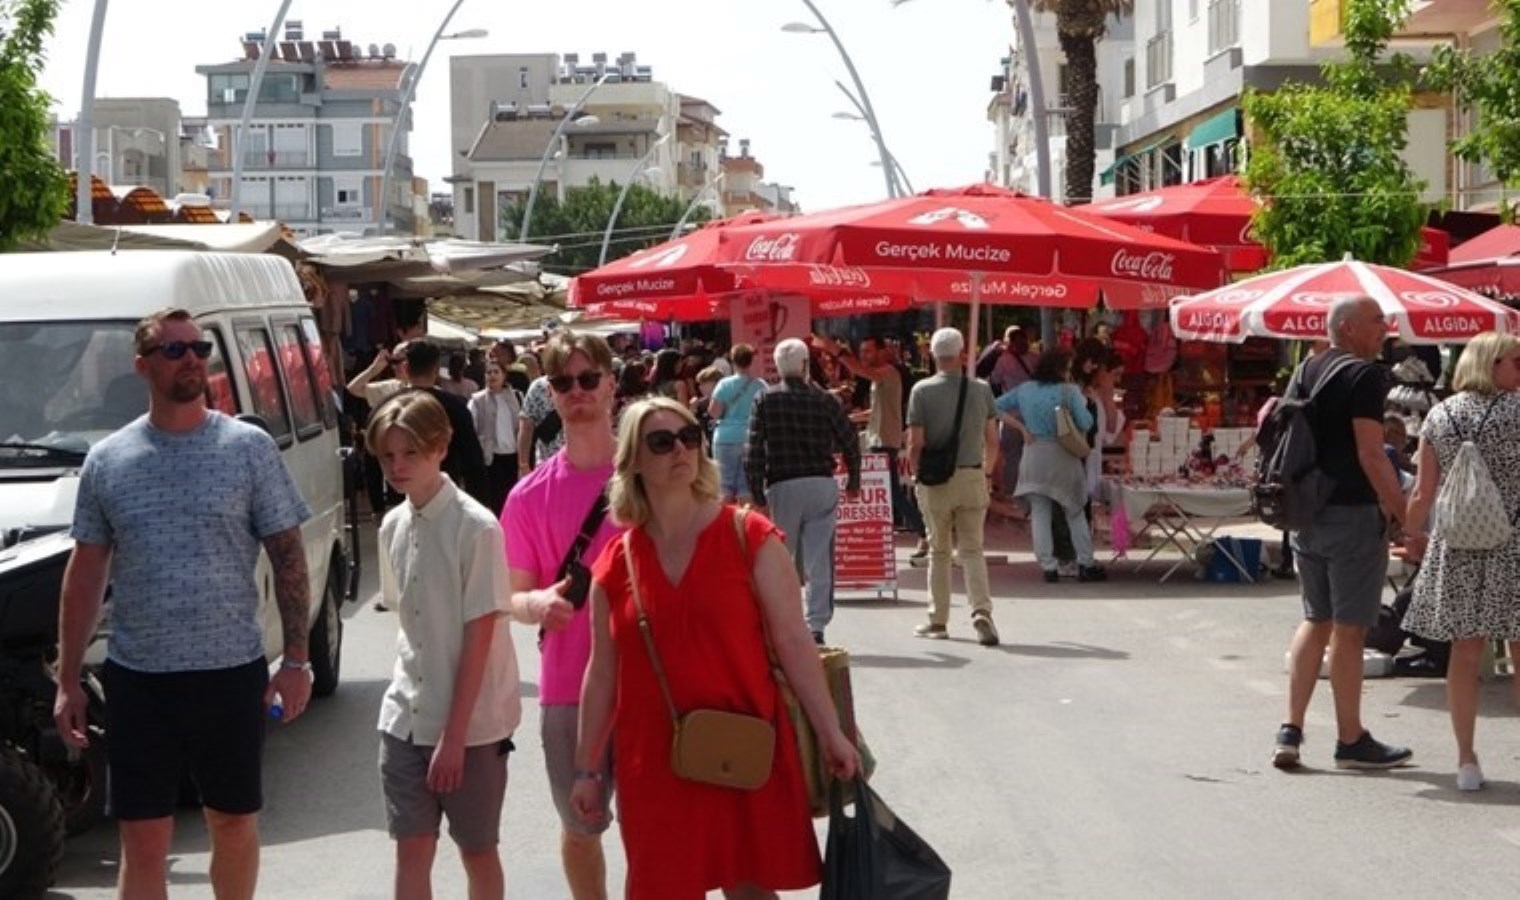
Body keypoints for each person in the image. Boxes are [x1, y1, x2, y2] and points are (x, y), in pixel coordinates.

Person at [53, 308, 313, 900]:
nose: (192, 358)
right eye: (174, 350)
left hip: (230, 674)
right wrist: (67, 680)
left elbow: (289, 557)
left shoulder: (247, 448)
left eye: (199, 348)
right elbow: (86, 572)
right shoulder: (109, 460)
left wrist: (296, 660)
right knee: (143, 840)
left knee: (233, 824)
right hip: (140, 680)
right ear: (143, 366)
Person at [570, 397, 861, 899]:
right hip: (655, 761)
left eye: (689, 437)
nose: (680, 450)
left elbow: (795, 643)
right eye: (661, 442)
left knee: (750, 890)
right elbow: (601, 674)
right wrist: (585, 769)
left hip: (744, 748)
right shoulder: (616, 563)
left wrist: (831, 732)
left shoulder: (749, 536)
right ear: (634, 460)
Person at [369, 391, 521, 899]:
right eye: (387, 455)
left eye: (410, 452)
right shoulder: (392, 525)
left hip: (471, 728)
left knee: (477, 850)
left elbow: (480, 636)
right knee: (411, 849)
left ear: (440, 447)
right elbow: (408, 627)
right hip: (403, 719)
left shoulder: (476, 528)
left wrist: (453, 737)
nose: (397, 466)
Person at [501, 331, 623, 900]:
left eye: (588, 378)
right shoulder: (528, 496)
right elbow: (511, 596)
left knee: (658, 830)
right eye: (563, 382)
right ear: (550, 393)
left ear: (611, 384)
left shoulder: (650, 473)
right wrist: (537, 604)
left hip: (652, 681)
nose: (577, 391)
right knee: (580, 829)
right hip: (569, 685)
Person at [1272, 296, 1412, 771]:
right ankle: (1350, 738)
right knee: (1349, 630)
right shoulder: (1364, 376)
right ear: (1348, 327)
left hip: (1305, 510)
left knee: (1316, 619)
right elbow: (1371, 453)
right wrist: (1405, 513)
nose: (1385, 328)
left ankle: (1290, 730)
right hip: (1351, 513)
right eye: (1376, 321)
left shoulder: (1306, 370)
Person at [1401, 331, 1520, 791]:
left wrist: (1412, 533)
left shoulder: (1440, 415)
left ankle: (1466, 761)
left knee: (1465, 653)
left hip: (1459, 545)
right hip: (1514, 542)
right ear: (1492, 365)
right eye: (1516, 362)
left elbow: (1422, 492)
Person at [745, 339, 862, 645]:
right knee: (819, 557)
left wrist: (756, 491)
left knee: (780, 557)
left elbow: (753, 448)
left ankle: (781, 621)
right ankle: (816, 625)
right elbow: (849, 439)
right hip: (821, 482)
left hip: (783, 484)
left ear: (778, 367)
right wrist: (854, 479)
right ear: (805, 365)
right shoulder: (825, 400)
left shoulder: (765, 399)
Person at [907, 327, 1001, 646]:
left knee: (939, 550)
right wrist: (986, 473)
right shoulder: (981, 390)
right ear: (963, 354)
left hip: (935, 481)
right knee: (973, 549)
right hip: (972, 475)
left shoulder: (921, 391)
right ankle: (981, 611)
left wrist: (916, 475)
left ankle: (938, 620)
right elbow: (993, 440)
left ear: (933, 355)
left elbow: (915, 444)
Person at [997, 348, 1107, 584]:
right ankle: (1086, 563)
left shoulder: (1025, 389)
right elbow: (1086, 423)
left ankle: (1048, 566)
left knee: (1039, 512)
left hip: (1033, 454)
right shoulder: (1069, 391)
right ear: (1061, 369)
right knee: (1074, 510)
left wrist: (1020, 427)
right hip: (1063, 456)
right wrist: (1087, 402)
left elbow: (992, 405)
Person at [837, 335, 925, 541]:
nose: (863, 356)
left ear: (882, 351)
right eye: (861, 352)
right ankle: (919, 530)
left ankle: (923, 530)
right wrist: (850, 418)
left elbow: (859, 369)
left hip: (884, 440)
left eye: (868, 351)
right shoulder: (878, 378)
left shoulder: (887, 372)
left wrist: (838, 352)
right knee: (887, 490)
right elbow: (875, 412)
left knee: (891, 491)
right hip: (878, 439)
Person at [707, 343, 764, 505]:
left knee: (724, 486)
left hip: (725, 438)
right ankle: (744, 519)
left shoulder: (724, 384)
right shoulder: (760, 385)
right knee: (746, 487)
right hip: (749, 438)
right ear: (751, 361)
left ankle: (726, 519)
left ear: (733, 361)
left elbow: (714, 412)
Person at [468, 360, 523, 516]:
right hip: (492, 457)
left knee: (514, 496)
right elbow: (472, 428)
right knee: (498, 500)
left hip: (514, 455)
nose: (492, 375)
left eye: (496, 372)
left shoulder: (517, 396)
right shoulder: (477, 400)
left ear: (504, 375)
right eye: (489, 372)